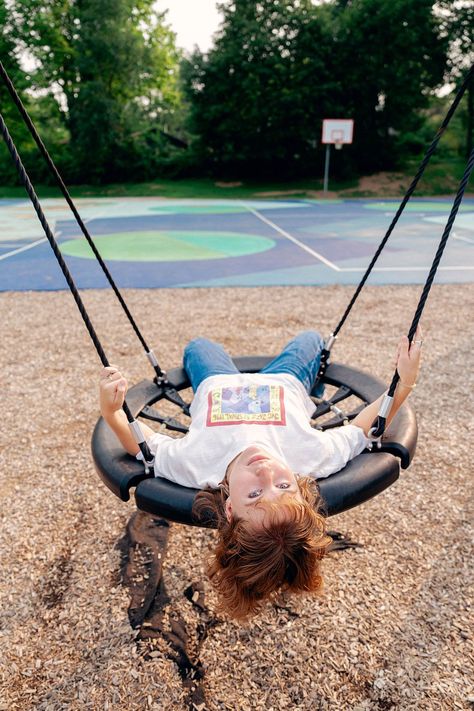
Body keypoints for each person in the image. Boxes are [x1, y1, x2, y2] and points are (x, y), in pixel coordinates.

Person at [99, 329, 422, 619]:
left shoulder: (195, 465)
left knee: (199, 344)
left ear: (228, 508)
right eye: (284, 486)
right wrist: (404, 382)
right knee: (310, 338)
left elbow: (141, 445)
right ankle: (312, 385)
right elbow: (365, 426)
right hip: (286, 380)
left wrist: (112, 411)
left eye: (254, 495)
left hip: (216, 382)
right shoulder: (314, 457)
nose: (266, 473)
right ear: (299, 487)